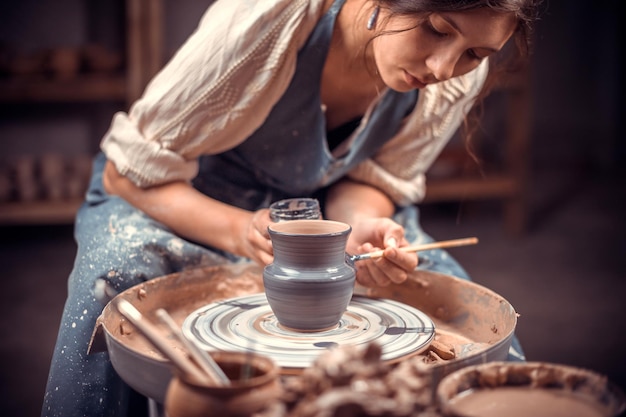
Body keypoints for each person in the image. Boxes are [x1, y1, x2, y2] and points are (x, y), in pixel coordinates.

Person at [42, 0, 542, 416]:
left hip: (317, 210)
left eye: (475, 53)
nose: (443, 68)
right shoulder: (273, 18)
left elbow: (373, 178)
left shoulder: (457, 76)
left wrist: (355, 229)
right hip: (174, 192)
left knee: (454, 305)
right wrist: (238, 231)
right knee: (120, 276)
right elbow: (127, 171)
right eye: (435, 30)